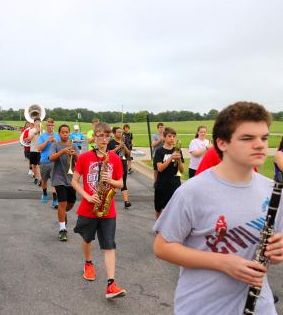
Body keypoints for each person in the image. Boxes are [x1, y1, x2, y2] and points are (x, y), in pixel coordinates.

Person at [153, 101, 283, 314]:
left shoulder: (273, 191)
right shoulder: (192, 192)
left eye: (264, 138)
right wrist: (223, 262)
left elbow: (274, 248)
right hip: (205, 306)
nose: (260, 144)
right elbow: (162, 247)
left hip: (260, 305)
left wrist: (278, 251)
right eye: (248, 138)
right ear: (222, 143)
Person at [71, 122, 126, 299]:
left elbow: (121, 183)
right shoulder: (85, 157)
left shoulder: (115, 159)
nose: (103, 139)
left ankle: (111, 284)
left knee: (109, 245)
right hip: (89, 206)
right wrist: (87, 196)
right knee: (87, 238)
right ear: (94, 137)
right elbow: (74, 181)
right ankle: (88, 263)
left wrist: (110, 179)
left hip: (108, 208)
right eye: (100, 136)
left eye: (106, 136)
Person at [49, 124, 79, 241]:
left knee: (70, 203)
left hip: (71, 178)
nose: (65, 134)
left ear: (69, 133)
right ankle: (62, 229)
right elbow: (51, 157)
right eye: (63, 132)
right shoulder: (55, 145)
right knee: (62, 203)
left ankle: (63, 213)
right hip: (58, 178)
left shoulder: (74, 146)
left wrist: (74, 154)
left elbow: (80, 161)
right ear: (59, 133)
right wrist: (62, 151)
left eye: (67, 132)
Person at [153, 127, 184, 220]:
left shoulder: (178, 151)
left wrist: (178, 160)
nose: (172, 138)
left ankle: (169, 228)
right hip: (162, 184)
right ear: (164, 137)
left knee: (173, 209)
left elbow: (182, 171)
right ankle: (158, 227)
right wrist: (171, 158)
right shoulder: (159, 151)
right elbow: (160, 168)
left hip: (174, 184)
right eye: (169, 136)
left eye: (174, 136)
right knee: (158, 208)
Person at [37, 118, 61, 208]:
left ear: (54, 125)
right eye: (48, 125)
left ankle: (55, 200)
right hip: (44, 161)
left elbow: (61, 147)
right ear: (46, 125)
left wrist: (56, 142)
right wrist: (47, 141)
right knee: (44, 180)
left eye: (51, 125)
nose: (50, 127)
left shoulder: (57, 135)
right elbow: (39, 148)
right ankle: (44, 194)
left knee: (54, 181)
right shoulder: (42, 136)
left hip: (55, 161)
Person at [107, 127, 132, 209]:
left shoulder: (124, 142)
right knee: (111, 182)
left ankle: (126, 201)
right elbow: (109, 153)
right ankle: (107, 200)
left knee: (123, 182)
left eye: (121, 132)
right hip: (113, 164)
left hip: (123, 163)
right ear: (114, 133)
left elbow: (128, 153)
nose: (120, 134)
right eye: (118, 132)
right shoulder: (111, 142)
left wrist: (124, 147)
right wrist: (118, 147)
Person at [27, 118, 42, 186]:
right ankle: (36, 177)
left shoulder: (42, 131)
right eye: (36, 121)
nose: (37, 123)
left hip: (40, 150)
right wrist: (36, 133)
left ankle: (40, 179)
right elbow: (29, 139)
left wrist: (40, 132)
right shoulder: (31, 130)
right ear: (34, 122)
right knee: (34, 165)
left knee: (39, 165)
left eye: (38, 121)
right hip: (33, 149)